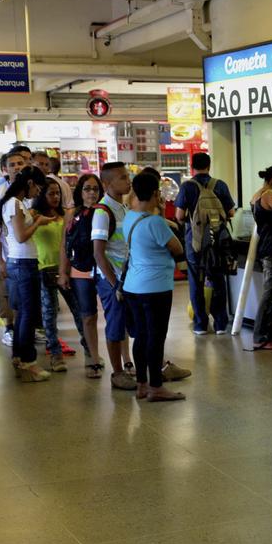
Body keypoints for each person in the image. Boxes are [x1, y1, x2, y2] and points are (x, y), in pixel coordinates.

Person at [122, 172, 187, 402]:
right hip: (156, 287)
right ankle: (157, 387)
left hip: (132, 287)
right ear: (155, 193)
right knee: (156, 337)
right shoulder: (155, 222)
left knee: (140, 336)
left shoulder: (130, 217)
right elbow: (177, 247)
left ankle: (141, 384)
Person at [0, 167, 54, 383]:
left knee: (23, 313)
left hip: (21, 263)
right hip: (23, 264)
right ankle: (29, 361)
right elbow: (20, 237)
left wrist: (35, 218)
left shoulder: (15, 203)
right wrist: (38, 222)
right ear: (30, 183)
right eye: (38, 187)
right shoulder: (14, 203)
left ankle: (19, 357)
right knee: (29, 314)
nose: (38, 192)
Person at [174, 152, 235, 335]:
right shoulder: (220, 185)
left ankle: (200, 324)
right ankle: (221, 324)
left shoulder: (187, 187)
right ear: (209, 165)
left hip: (195, 242)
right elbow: (231, 212)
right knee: (218, 281)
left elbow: (178, 216)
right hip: (217, 243)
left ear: (192, 166)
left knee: (196, 282)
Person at [30, 180, 86, 373]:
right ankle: (55, 354)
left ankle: (89, 349)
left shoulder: (66, 215)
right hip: (43, 268)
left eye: (57, 194)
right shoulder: (33, 215)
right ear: (41, 195)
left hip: (66, 269)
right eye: (51, 194)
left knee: (79, 311)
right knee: (49, 314)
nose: (55, 197)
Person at [92, 162, 137, 390]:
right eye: (122, 178)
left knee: (129, 324)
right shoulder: (103, 211)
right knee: (115, 325)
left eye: (127, 176)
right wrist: (115, 284)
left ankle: (131, 365)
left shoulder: (123, 208)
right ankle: (117, 373)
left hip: (128, 278)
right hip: (112, 280)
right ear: (107, 183)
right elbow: (99, 254)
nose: (128, 181)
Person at [61, 174, 106, 379]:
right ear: (80, 191)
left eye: (95, 189)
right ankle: (93, 357)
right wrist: (63, 272)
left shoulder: (105, 212)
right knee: (88, 315)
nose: (91, 193)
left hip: (104, 270)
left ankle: (123, 360)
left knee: (114, 313)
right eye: (87, 189)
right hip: (80, 270)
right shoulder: (72, 214)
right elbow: (64, 245)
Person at [249, 166, 272, 350]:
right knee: (269, 294)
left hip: (264, 248)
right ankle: (260, 336)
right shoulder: (270, 195)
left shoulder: (256, 195)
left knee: (268, 293)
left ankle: (265, 334)